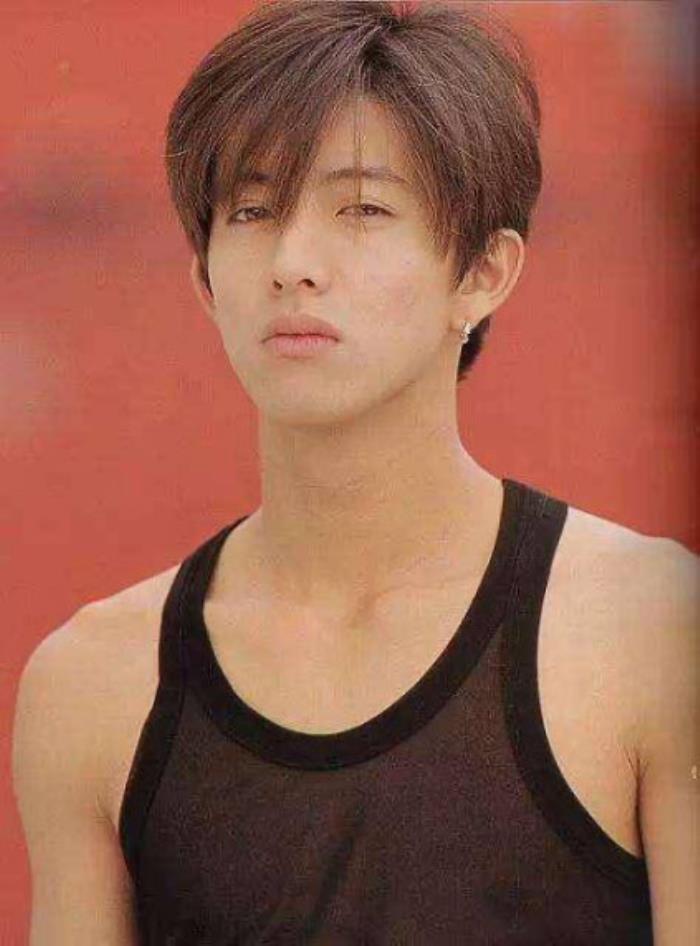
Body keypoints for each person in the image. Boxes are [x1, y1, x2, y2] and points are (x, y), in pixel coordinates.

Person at [12, 1, 698, 942]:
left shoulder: (651, 634)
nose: (293, 263)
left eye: (363, 208)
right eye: (253, 211)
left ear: (484, 272)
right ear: (204, 277)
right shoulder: (95, 685)